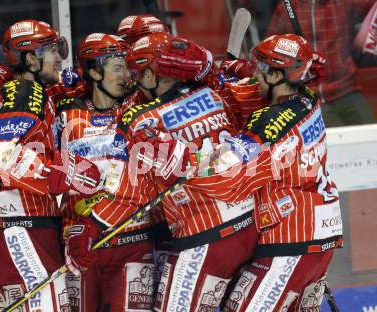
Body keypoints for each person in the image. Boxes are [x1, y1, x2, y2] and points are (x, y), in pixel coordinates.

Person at [86, 32, 259, 312]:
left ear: (154, 75)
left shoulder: (141, 119)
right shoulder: (219, 93)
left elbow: (133, 188)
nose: (133, 79)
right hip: (251, 226)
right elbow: (270, 102)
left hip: (205, 236)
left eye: (138, 72)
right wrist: (232, 70)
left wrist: (94, 225)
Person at [183, 34, 342, 311]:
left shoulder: (268, 121)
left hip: (291, 236)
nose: (255, 74)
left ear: (279, 75)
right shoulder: (307, 97)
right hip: (318, 231)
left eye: (262, 68)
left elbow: (227, 178)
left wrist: (185, 164)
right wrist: (234, 70)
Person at [0, 19, 101, 311]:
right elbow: (4, 157)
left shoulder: (19, 91)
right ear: (30, 58)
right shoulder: (25, 92)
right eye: (52, 50)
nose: (59, 58)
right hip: (19, 229)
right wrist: (67, 173)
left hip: (2, 228)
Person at [56, 32, 159, 312]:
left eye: (128, 66)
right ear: (93, 72)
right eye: (117, 67)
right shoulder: (65, 113)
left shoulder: (138, 107)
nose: (126, 75)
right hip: (80, 241)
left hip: (133, 238)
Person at [266, 0, 376, 127]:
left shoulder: (343, 2)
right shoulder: (288, 7)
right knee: (331, 141)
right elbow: (269, 51)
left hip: (347, 88)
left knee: (370, 135)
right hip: (309, 95)